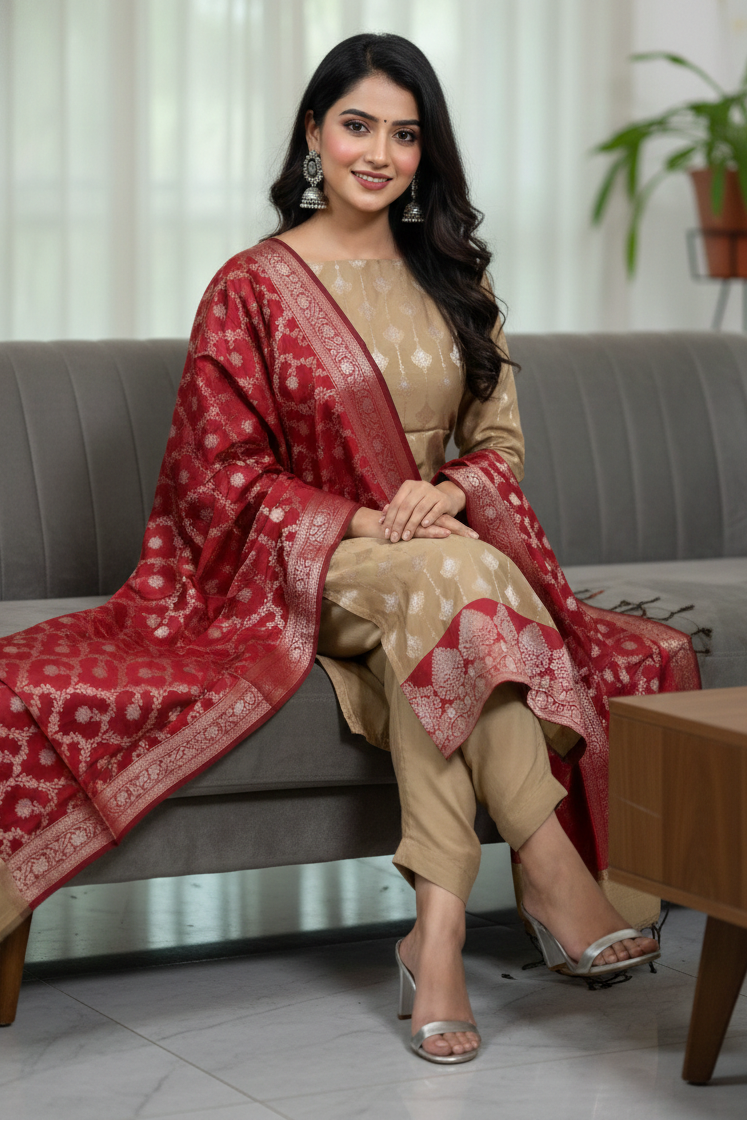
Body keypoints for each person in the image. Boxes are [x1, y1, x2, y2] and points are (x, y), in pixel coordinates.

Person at [0, 33, 698, 1065]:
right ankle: (548, 865)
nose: (380, 152)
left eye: (405, 134)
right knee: (458, 576)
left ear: (427, 152)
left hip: (432, 568)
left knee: (445, 590)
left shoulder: (455, 275)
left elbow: (499, 448)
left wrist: (447, 488)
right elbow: (216, 479)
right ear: (313, 136)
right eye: (357, 125)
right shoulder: (251, 286)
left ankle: (441, 934)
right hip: (296, 571)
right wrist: (368, 520)